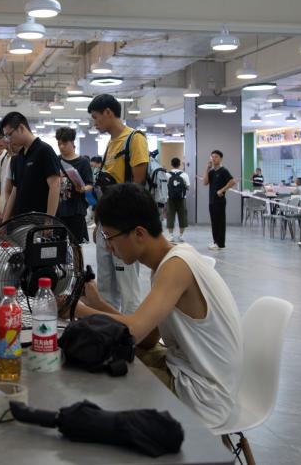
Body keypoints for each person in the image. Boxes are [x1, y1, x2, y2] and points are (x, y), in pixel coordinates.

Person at [69, 183, 242, 431]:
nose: (108, 247)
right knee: (108, 358)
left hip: (203, 395)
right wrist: (98, 304)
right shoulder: (169, 260)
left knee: (99, 380)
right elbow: (148, 338)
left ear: (139, 233)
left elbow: (132, 332)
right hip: (189, 373)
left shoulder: (176, 266)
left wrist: (75, 308)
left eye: (109, 237)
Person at [87, 94, 146, 313]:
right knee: (105, 285)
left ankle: (132, 329)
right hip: (107, 224)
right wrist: (99, 223)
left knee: (127, 287)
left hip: (124, 224)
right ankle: (109, 327)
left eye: (96, 117)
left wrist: (123, 227)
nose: (95, 123)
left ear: (108, 113)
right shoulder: (111, 144)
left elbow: (138, 184)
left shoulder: (134, 139)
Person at [0, 112, 61, 222]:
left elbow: (55, 186)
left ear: (21, 128)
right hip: (21, 221)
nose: (8, 140)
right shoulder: (18, 157)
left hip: (39, 222)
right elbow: (15, 191)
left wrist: (49, 221)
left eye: (9, 135)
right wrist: (5, 222)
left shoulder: (44, 151)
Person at [55, 126, 92, 244]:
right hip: (59, 209)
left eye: (64, 143)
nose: (61, 147)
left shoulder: (83, 162)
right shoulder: (55, 160)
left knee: (76, 244)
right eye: (59, 144)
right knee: (58, 244)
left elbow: (90, 184)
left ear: (72, 142)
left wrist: (83, 188)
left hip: (76, 209)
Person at [202, 150, 235, 251]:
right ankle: (215, 242)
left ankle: (220, 244)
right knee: (214, 222)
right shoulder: (212, 172)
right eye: (212, 157)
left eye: (216, 157)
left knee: (220, 223)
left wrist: (222, 190)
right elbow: (205, 182)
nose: (213, 159)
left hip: (219, 201)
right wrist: (207, 169)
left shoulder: (223, 171)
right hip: (212, 201)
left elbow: (232, 181)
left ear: (220, 158)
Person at [166, 157, 190, 243]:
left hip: (170, 198)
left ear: (171, 164)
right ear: (179, 164)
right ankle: (181, 235)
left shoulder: (167, 175)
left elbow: (165, 187)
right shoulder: (184, 175)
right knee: (182, 216)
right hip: (182, 199)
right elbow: (188, 187)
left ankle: (170, 235)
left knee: (170, 216)